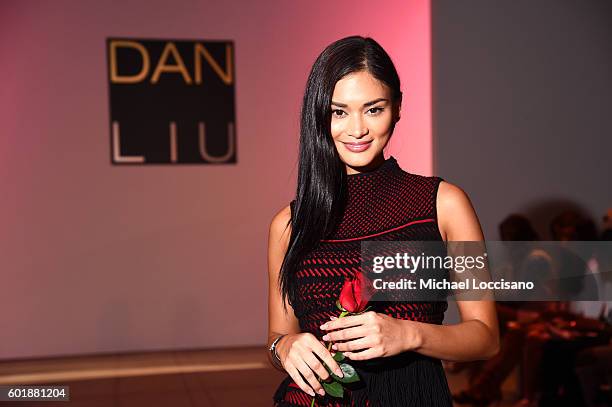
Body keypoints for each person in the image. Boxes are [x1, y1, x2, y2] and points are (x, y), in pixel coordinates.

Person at [266, 35, 499, 407]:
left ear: (398, 107)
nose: (357, 129)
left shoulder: (444, 204)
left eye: (373, 109)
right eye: (338, 112)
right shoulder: (289, 224)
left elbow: (486, 337)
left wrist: (408, 335)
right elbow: (277, 336)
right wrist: (286, 346)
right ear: (318, 114)